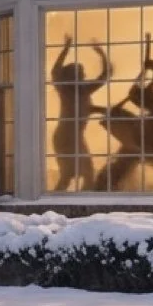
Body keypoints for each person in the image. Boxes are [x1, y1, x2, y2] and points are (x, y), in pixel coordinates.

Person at [50, 38, 109, 191]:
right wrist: (66, 48)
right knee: (83, 173)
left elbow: (83, 109)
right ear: (73, 76)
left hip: (70, 136)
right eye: (81, 73)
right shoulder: (72, 89)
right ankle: (83, 202)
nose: (84, 74)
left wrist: (100, 110)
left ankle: (68, 202)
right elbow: (55, 71)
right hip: (68, 136)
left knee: (70, 174)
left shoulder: (79, 90)